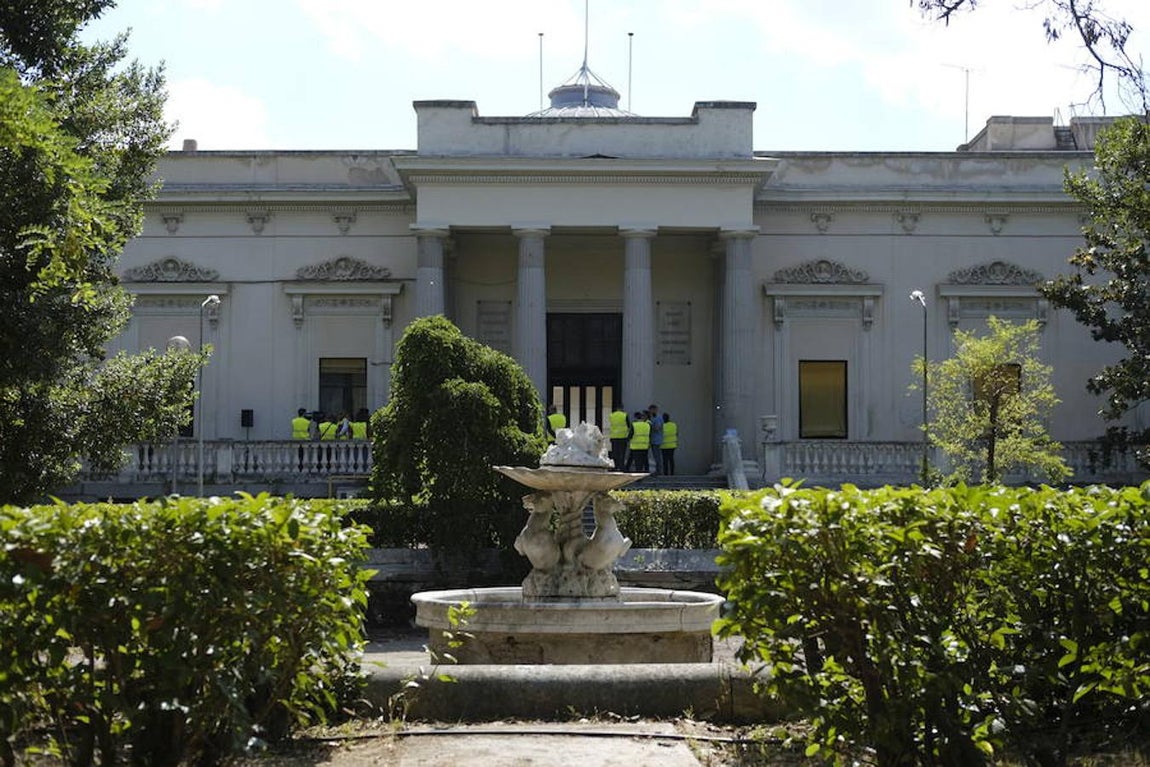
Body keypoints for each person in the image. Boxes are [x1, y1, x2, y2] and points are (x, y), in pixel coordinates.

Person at [607, 402, 632, 471]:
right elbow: (629, 426)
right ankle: (622, 467)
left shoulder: (611, 415)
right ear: (622, 408)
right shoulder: (625, 415)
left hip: (614, 437)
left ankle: (615, 466)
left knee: (615, 453)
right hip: (623, 437)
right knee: (622, 453)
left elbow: (611, 425)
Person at [647, 404, 664, 475]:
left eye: (651, 410)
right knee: (655, 456)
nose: (650, 412)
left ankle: (659, 471)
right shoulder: (653, 417)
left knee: (657, 456)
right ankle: (657, 470)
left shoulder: (658, 418)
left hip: (656, 440)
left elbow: (657, 428)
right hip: (653, 440)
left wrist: (650, 425)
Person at [660, 412, 678, 476]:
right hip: (672, 445)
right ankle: (672, 473)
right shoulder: (674, 425)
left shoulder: (661, 426)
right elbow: (676, 433)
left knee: (665, 461)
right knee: (671, 460)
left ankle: (666, 473)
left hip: (664, 446)